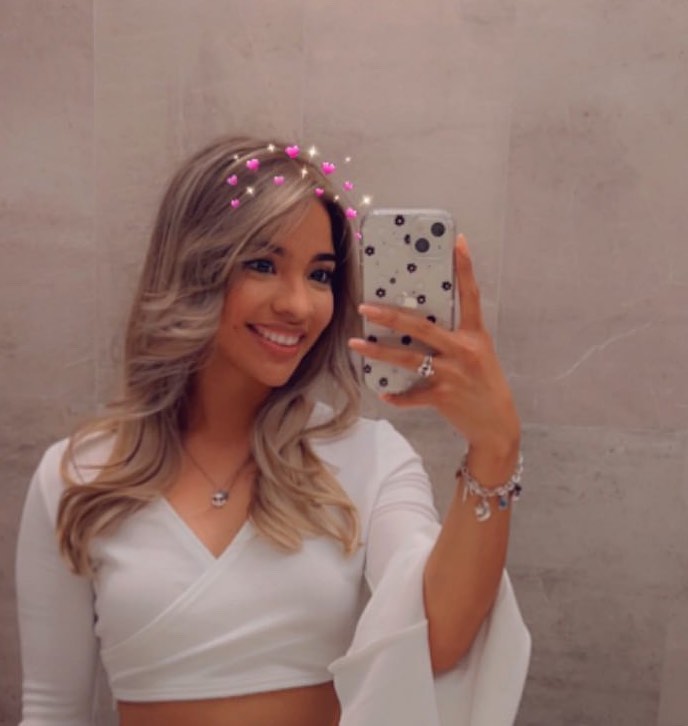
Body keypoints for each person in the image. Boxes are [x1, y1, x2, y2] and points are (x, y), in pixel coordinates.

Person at [15, 135, 530, 726]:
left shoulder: (367, 457)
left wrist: (496, 447)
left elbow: (437, 640)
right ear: (193, 268)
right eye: (263, 265)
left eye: (320, 274)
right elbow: (52, 711)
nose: (300, 305)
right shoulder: (78, 475)